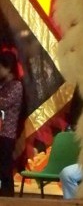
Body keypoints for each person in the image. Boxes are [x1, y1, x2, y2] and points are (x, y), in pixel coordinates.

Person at [0, 51, 24, 197]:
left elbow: (4, 103)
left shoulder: (16, 86)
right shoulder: (2, 85)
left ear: (8, 68)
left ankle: (8, 195)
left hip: (7, 134)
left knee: (5, 167)